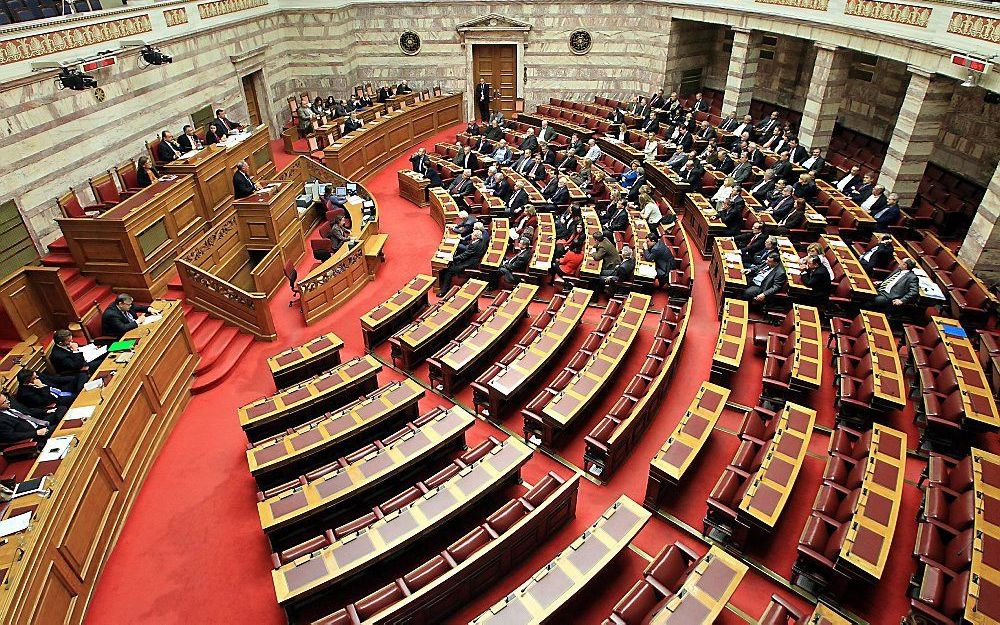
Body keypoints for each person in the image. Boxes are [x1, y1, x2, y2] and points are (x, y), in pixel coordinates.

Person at [437, 229, 486, 296]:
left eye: (473, 234)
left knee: (449, 270)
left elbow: (465, 255)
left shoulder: (475, 245)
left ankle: (444, 291)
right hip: (473, 259)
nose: (471, 235)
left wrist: (452, 258)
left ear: (476, 237)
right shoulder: (481, 241)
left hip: (470, 263)